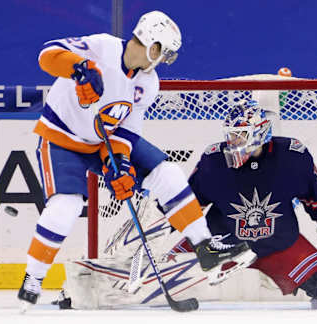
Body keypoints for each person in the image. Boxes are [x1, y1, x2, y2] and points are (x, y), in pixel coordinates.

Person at [18, 11, 255, 309]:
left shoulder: (148, 83)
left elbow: (126, 130)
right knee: (67, 206)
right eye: (164, 53)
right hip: (61, 139)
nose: (165, 60)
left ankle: (204, 246)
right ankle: (33, 278)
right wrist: (80, 69)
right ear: (153, 46)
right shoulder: (102, 47)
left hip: (102, 142)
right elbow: (47, 54)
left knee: (167, 173)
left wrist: (120, 164)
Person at [187, 99, 317, 309]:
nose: (232, 141)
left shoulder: (292, 157)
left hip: (280, 245)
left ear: (259, 132)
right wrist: (161, 220)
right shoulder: (213, 161)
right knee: (159, 284)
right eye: (230, 134)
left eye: (240, 134)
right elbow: (185, 206)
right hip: (221, 246)